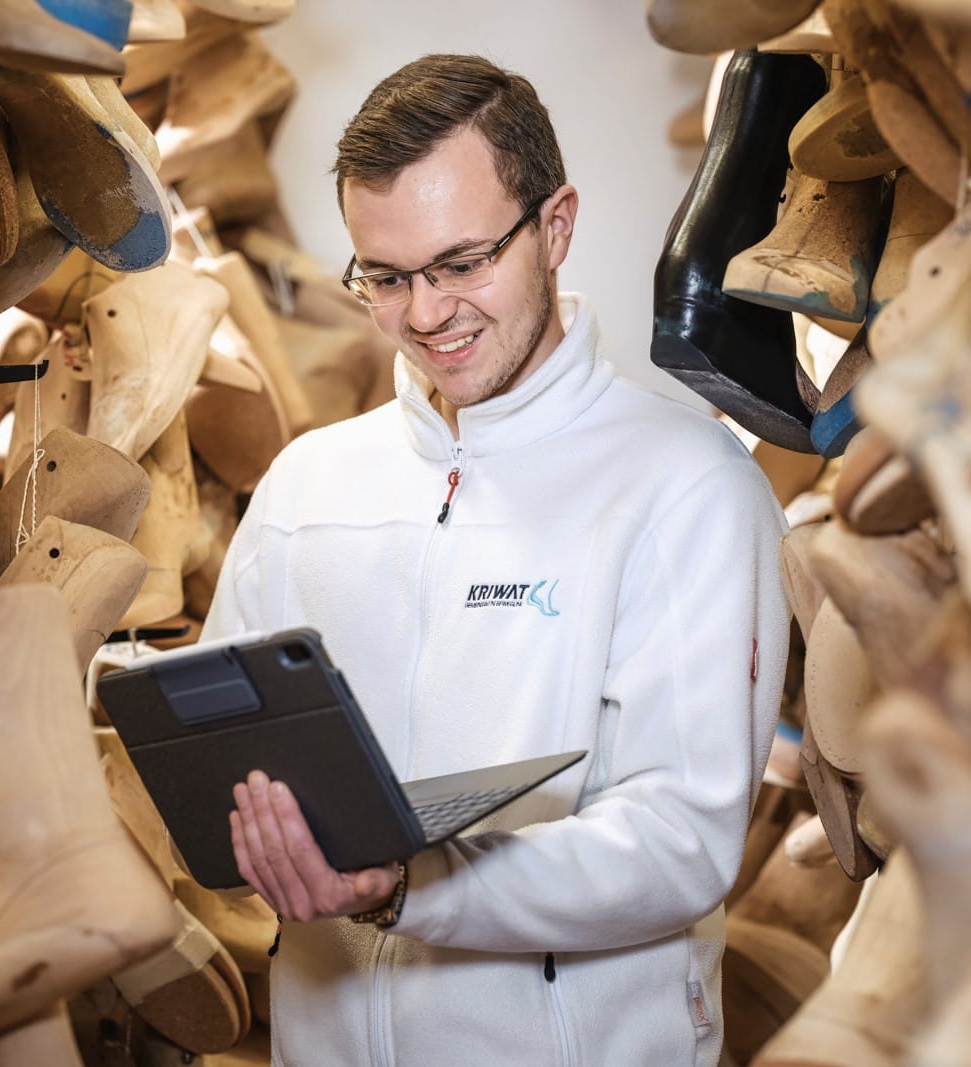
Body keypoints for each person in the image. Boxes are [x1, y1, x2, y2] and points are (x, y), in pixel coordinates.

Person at [201, 53, 790, 1066]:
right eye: (387, 277)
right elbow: (223, 771)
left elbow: (679, 841)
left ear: (555, 227)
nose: (427, 313)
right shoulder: (305, 486)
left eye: (463, 262)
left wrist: (410, 886)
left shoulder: (687, 486)